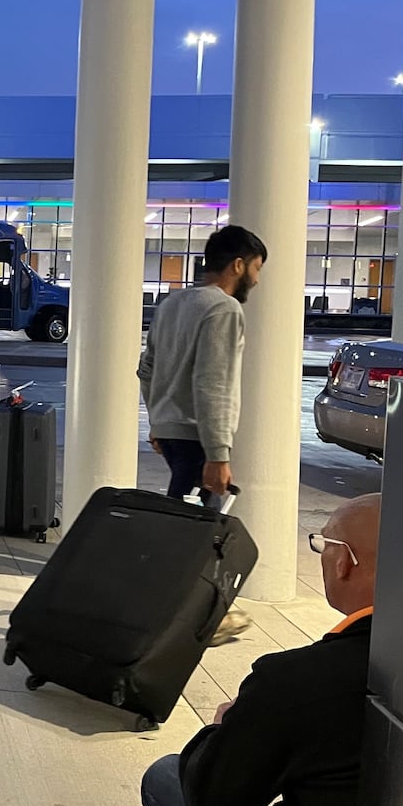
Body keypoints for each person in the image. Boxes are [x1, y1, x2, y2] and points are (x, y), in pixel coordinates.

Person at [140, 492, 380, 806]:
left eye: (323, 543)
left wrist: (223, 729)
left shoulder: (298, 680)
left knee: (169, 777)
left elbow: (215, 794)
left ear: (346, 563)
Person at [138, 224, 266, 643]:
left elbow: (147, 370)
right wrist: (218, 453)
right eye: (256, 269)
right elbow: (214, 383)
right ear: (238, 265)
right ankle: (185, 614)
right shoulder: (224, 309)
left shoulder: (173, 304)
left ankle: (193, 609)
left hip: (176, 433)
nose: (257, 280)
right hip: (198, 438)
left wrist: (158, 420)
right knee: (196, 533)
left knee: (190, 524)